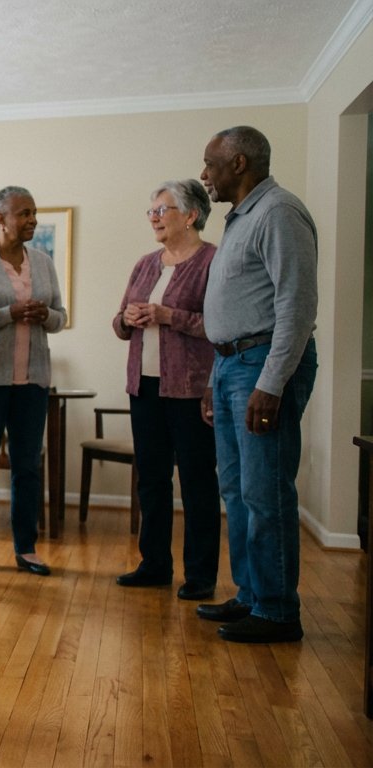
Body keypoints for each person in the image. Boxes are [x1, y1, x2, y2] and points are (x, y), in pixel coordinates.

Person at [197, 125, 317, 643]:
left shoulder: (278, 213)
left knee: (265, 491)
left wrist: (271, 384)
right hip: (231, 366)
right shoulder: (240, 220)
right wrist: (213, 376)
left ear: (239, 163)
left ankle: (276, 611)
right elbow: (236, 306)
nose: (204, 176)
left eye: (211, 164)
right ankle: (251, 595)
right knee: (237, 489)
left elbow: (296, 306)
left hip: (261, 365)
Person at [111, 179, 221, 600]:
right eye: (151, 211)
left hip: (191, 389)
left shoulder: (213, 261)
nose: (154, 218)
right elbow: (119, 324)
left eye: (162, 210)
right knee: (152, 480)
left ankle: (200, 575)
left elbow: (218, 326)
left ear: (191, 215)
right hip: (144, 387)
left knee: (196, 481)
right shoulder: (145, 264)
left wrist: (167, 315)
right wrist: (129, 318)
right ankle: (154, 564)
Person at [0, 186, 67, 577]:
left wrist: (43, 315)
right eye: (24, 213)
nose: (32, 220)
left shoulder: (43, 262)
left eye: (34, 213)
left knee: (27, 466)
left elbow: (61, 316)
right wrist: (10, 312)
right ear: (1, 219)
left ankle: (27, 548)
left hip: (33, 380)